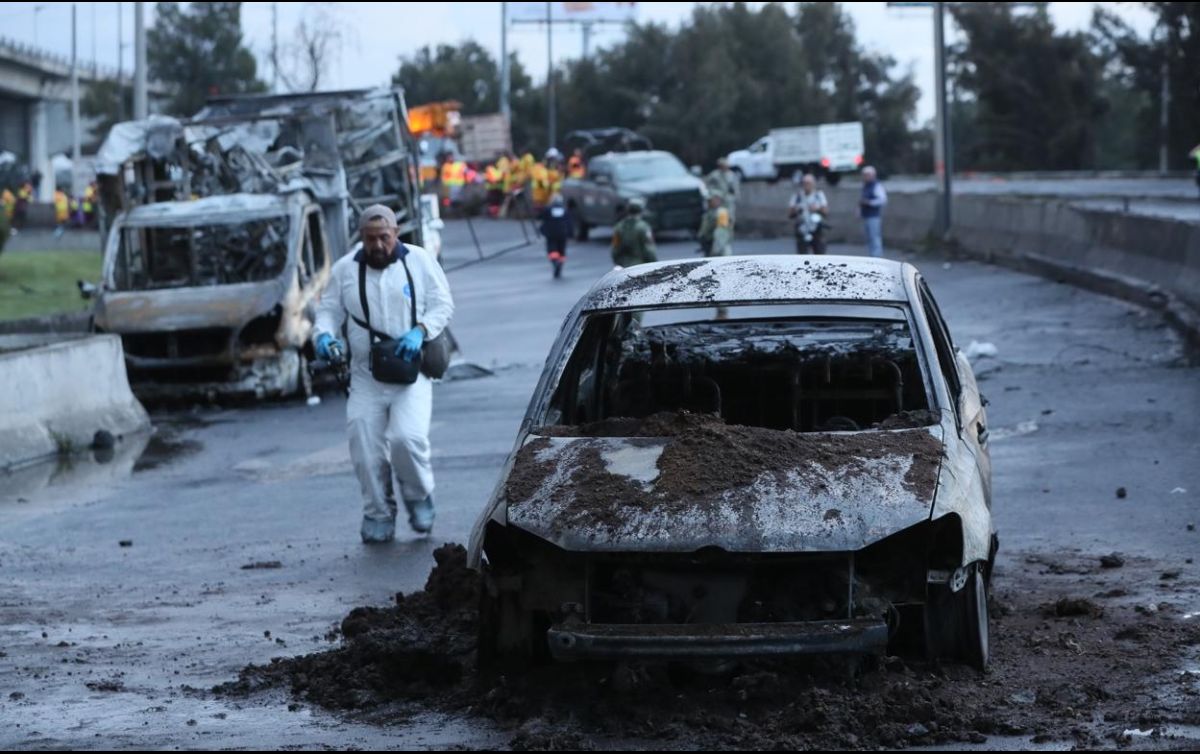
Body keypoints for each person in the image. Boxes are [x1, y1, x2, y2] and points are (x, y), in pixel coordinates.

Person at [312, 205, 455, 543]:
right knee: (364, 447)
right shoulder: (345, 269)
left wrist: (421, 330)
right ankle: (378, 512)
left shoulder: (419, 261)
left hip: (412, 372)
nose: (377, 245)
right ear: (361, 237)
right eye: (370, 238)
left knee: (408, 439)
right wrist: (324, 336)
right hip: (365, 376)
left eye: (384, 237)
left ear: (396, 233)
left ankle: (419, 497)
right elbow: (328, 311)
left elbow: (443, 303)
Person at [698, 193, 734, 318]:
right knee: (714, 282)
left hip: (720, 252)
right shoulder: (709, 213)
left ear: (718, 199)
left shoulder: (721, 213)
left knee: (720, 282)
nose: (709, 202)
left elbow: (721, 233)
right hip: (712, 250)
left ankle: (723, 312)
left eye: (711, 199)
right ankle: (720, 311)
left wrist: (715, 252)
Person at [611, 196, 657, 269]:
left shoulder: (619, 227)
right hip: (640, 266)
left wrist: (618, 262)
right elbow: (649, 250)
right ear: (641, 210)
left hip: (624, 266)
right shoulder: (644, 227)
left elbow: (615, 249)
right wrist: (654, 264)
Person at [788, 173, 829, 254]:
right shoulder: (798, 196)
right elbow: (790, 213)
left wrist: (817, 209)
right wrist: (797, 209)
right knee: (802, 253)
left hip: (816, 228)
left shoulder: (819, 195)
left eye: (809, 183)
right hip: (802, 227)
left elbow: (825, 211)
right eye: (805, 183)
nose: (807, 185)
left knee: (819, 252)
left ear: (813, 184)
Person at [538, 194, 572, 278]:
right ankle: (560, 263)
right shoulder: (565, 210)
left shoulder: (548, 209)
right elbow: (569, 222)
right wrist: (570, 233)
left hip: (551, 233)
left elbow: (541, 217)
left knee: (552, 249)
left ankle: (555, 262)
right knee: (561, 251)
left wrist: (542, 230)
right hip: (563, 233)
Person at [859, 165, 887, 258]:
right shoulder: (866, 186)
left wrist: (870, 202)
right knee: (870, 237)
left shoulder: (877, 186)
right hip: (866, 215)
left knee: (875, 236)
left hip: (873, 215)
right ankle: (872, 255)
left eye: (867, 175)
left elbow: (882, 200)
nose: (865, 177)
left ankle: (877, 256)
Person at [705, 157, 740, 224]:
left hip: (728, 197)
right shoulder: (714, 174)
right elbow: (707, 185)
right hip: (717, 196)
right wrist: (712, 195)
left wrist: (735, 196)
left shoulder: (731, 175)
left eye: (725, 166)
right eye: (722, 166)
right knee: (717, 214)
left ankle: (730, 223)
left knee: (730, 212)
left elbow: (735, 187)